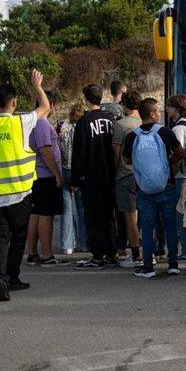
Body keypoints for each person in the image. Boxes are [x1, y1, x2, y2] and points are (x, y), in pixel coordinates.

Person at [0, 70, 50, 301]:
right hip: (19, 194)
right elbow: (45, 107)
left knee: (0, 235)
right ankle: (12, 278)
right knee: (18, 237)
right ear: (14, 103)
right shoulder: (21, 122)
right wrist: (37, 86)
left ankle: (0, 277)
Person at [123, 98, 186, 279]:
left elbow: (126, 160)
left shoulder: (132, 136)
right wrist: (166, 165)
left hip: (144, 189)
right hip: (166, 185)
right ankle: (173, 264)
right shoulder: (165, 132)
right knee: (169, 226)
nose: (160, 114)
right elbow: (180, 153)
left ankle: (149, 267)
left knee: (147, 228)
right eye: (158, 111)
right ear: (151, 114)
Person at [71, 84, 117, 269]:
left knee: (93, 216)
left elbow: (79, 152)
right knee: (109, 215)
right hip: (110, 173)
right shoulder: (110, 119)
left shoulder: (84, 121)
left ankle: (97, 255)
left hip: (91, 176)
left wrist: (75, 179)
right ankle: (111, 253)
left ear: (86, 99)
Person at [25, 90, 67, 267]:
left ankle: (33, 253)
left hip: (38, 175)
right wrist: (57, 173)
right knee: (46, 215)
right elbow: (45, 150)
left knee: (36, 214)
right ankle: (47, 255)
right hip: (46, 175)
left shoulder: (36, 123)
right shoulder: (41, 123)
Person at [112, 90, 142, 268]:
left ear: (124, 105)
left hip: (125, 174)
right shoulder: (144, 123)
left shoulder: (121, 125)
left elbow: (116, 152)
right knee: (144, 216)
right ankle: (151, 251)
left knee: (130, 218)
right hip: (144, 175)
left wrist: (113, 172)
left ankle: (135, 253)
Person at [165, 94, 186, 263]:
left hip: (181, 175)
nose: (167, 109)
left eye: (170, 106)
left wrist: (170, 170)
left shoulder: (178, 129)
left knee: (182, 213)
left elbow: (178, 154)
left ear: (177, 109)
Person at [58, 103, 85, 254]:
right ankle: (85, 242)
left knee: (66, 209)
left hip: (64, 169)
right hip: (79, 172)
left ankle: (67, 244)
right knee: (82, 208)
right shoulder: (83, 128)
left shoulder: (63, 127)